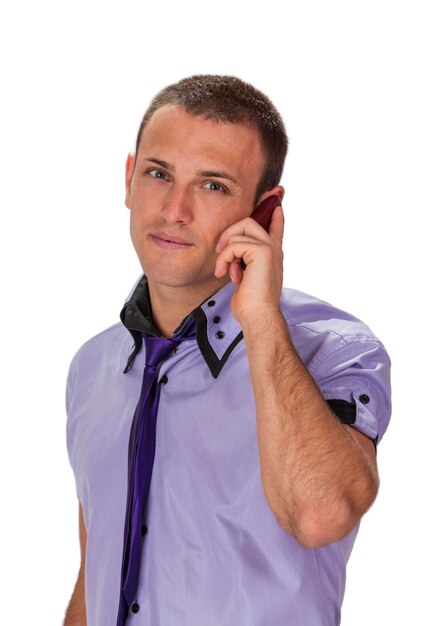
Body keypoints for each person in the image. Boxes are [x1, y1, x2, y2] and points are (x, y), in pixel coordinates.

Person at [64, 74, 391, 626]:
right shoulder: (92, 367)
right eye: (158, 174)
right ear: (128, 178)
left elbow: (321, 514)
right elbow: (95, 566)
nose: (174, 210)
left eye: (212, 185)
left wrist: (260, 318)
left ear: (264, 211)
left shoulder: (338, 350)